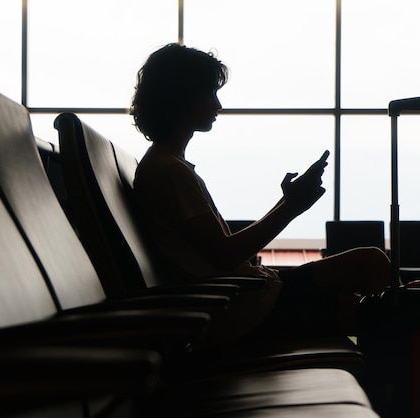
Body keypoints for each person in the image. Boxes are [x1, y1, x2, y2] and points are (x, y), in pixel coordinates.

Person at [131, 43, 390, 339]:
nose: (218, 106)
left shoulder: (164, 165)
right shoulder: (169, 171)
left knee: (369, 278)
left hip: (244, 296)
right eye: (210, 94)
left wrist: (287, 203)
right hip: (243, 308)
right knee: (371, 270)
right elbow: (225, 255)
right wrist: (291, 207)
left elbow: (217, 251)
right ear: (184, 98)